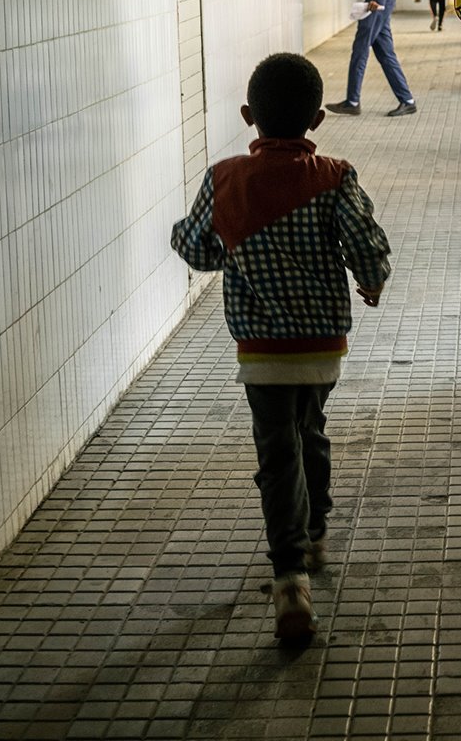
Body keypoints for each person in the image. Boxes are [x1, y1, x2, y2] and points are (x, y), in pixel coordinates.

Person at [170, 52, 392, 641]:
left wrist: (232, 251)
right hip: (322, 346)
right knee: (310, 430)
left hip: (261, 350)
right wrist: (370, 281)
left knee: (276, 452)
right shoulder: (336, 175)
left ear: (249, 115)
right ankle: (316, 531)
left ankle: (290, 579)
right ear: (318, 119)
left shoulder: (224, 179)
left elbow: (197, 249)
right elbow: (367, 242)